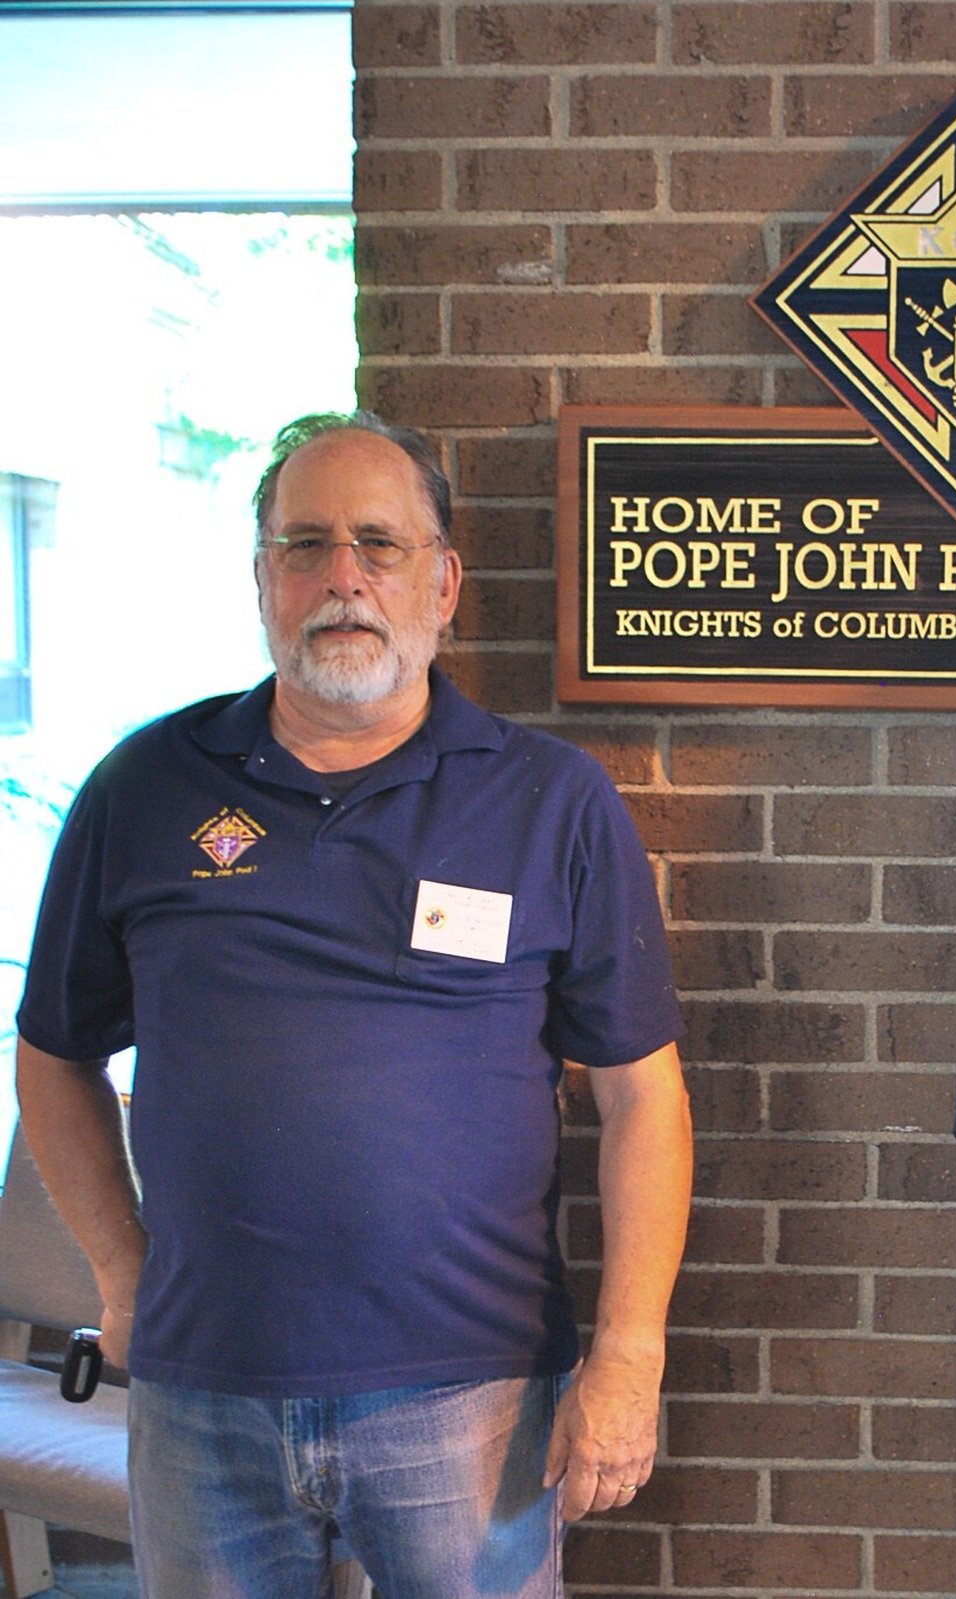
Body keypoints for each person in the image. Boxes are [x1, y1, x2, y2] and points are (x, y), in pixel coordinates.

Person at [14, 411, 693, 1599]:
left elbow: (644, 1097)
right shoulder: (143, 787)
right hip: (202, 1392)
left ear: (443, 586)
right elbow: (53, 1058)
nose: (343, 579)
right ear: (261, 581)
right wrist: (120, 1276)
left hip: (467, 1393)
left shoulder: (550, 802)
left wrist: (628, 1357)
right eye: (306, 545)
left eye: (379, 545)